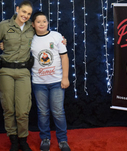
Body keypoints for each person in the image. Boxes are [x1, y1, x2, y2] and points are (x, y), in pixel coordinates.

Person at [0, 0, 35, 151]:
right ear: (17, 9)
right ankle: (13, 140)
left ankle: (23, 140)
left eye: (29, 14)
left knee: (23, 110)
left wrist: (60, 41)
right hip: (6, 71)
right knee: (8, 108)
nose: (25, 15)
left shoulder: (32, 27)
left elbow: (44, 37)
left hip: (23, 72)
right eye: (24, 11)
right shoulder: (4, 26)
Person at [30, 11, 71, 151]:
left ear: (48, 22)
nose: (42, 24)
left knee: (58, 111)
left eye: (44, 21)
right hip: (39, 83)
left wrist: (65, 78)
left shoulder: (56, 36)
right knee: (43, 113)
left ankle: (63, 140)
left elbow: (64, 57)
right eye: (38, 21)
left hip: (56, 82)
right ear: (33, 24)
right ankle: (45, 138)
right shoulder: (30, 39)